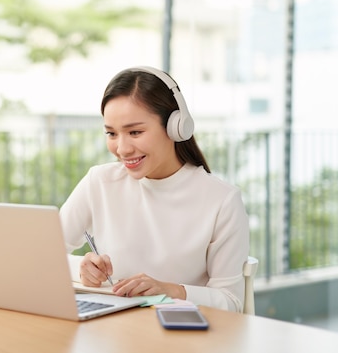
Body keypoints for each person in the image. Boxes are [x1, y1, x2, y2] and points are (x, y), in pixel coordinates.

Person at [59, 66, 250, 312]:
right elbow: (43, 255)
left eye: (135, 132)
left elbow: (232, 303)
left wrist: (173, 290)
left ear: (176, 126)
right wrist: (81, 270)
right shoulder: (100, 182)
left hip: (182, 339)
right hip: (113, 333)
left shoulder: (222, 201)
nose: (122, 148)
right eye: (111, 133)